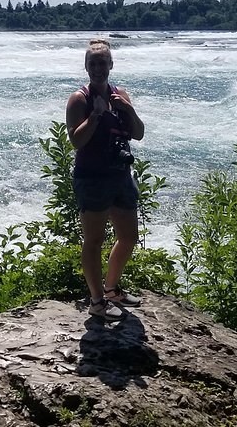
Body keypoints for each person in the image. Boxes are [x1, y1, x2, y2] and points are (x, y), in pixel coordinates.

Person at [66, 39, 145, 321]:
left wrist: (127, 109)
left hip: (120, 175)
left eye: (102, 63)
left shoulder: (120, 94)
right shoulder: (79, 99)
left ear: (111, 65)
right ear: (86, 67)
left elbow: (138, 133)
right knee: (94, 240)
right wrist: (96, 116)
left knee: (128, 236)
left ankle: (111, 290)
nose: (98, 68)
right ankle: (97, 301)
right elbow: (76, 141)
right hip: (93, 178)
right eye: (92, 64)